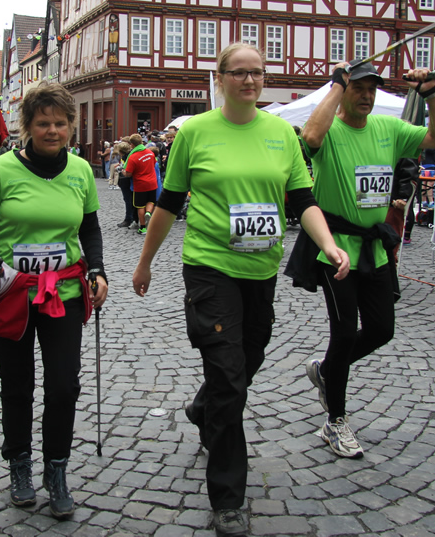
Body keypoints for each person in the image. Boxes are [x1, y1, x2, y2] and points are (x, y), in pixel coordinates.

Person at [132, 44, 349, 537]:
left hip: (261, 269)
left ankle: (202, 408)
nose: (249, 81)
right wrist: (145, 262)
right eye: (239, 73)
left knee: (249, 358)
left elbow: (303, 199)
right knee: (230, 378)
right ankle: (228, 497)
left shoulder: (281, 133)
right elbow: (169, 201)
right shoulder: (196, 132)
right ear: (220, 78)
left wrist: (328, 244)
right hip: (209, 267)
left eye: (257, 73)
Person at [296, 59, 435, 461]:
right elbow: (310, 137)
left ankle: (327, 369)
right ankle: (335, 421)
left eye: (372, 89)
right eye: (359, 88)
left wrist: (431, 95)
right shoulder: (330, 129)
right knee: (345, 332)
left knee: (382, 329)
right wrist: (336, 83)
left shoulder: (389, 128)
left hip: (375, 248)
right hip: (335, 248)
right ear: (345, 91)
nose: (367, 96)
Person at [0, 82, 107, 519]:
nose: (53, 131)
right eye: (43, 123)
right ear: (28, 126)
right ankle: (20, 466)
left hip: (63, 293)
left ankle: (57, 470)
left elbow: (90, 229)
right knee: (17, 384)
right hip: (13, 292)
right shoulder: (2, 170)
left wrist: (98, 269)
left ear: (71, 126)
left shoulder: (81, 171)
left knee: (64, 384)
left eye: (60, 123)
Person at [122, 134, 157, 235]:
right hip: (152, 182)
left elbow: (129, 173)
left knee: (140, 206)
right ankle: (148, 212)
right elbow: (154, 164)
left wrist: (123, 172)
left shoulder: (133, 157)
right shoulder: (150, 153)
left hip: (140, 184)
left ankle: (142, 228)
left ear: (132, 144)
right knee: (151, 201)